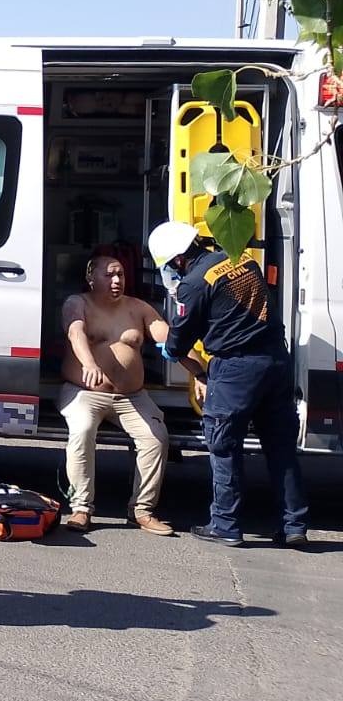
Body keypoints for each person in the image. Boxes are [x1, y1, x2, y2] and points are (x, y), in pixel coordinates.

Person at [150, 220, 309, 549]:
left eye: (167, 266)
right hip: (276, 361)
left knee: (224, 448)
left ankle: (226, 525)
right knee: (280, 449)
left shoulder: (194, 283)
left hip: (235, 370)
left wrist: (171, 349)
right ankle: (294, 525)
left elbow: (179, 341)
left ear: (178, 259)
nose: (169, 272)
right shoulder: (241, 258)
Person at [58, 255, 174, 536]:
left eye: (120, 274)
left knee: (156, 438)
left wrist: (201, 373)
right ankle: (81, 507)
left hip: (131, 396)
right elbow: (76, 333)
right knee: (82, 429)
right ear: (91, 277)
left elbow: (168, 336)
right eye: (109, 275)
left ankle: (142, 510)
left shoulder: (138, 307)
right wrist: (89, 364)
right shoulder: (78, 303)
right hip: (85, 392)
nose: (116, 280)